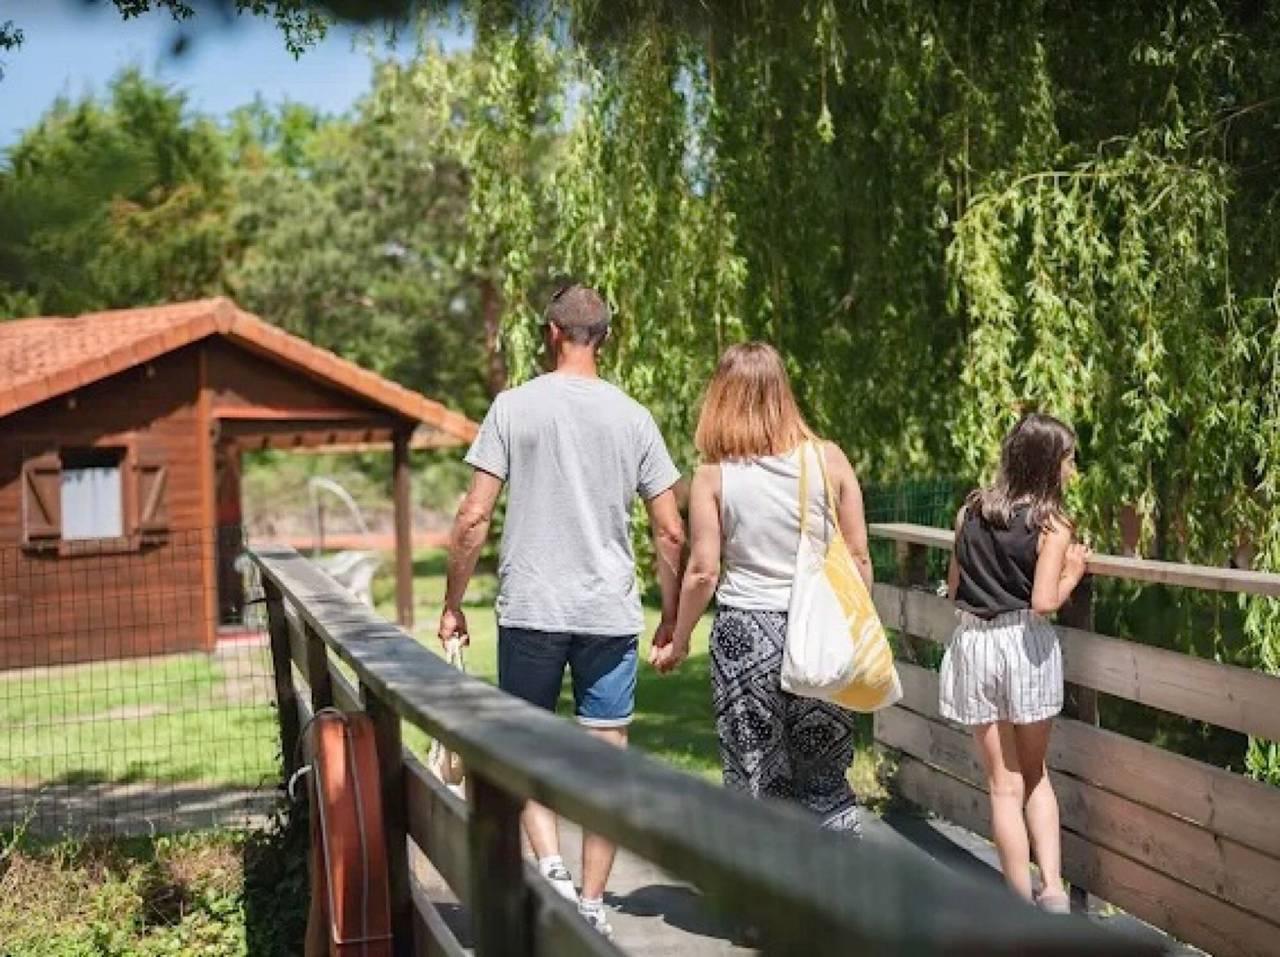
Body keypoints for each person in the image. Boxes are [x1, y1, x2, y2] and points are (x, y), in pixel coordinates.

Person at [438, 283, 685, 938]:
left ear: (551, 332)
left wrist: (452, 602)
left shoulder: (513, 408)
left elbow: (471, 517)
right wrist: (669, 616)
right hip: (608, 612)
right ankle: (593, 903)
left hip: (531, 606)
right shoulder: (634, 417)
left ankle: (548, 868)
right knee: (606, 755)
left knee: (523, 746)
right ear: (605, 335)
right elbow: (671, 531)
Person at [654, 342, 869, 833]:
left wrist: (681, 637)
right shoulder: (829, 460)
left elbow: (704, 570)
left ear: (722, 397)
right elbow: (857, 557)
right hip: (821, 630)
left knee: (755, 778)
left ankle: (768, 900)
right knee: (826, 778)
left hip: (746, 636)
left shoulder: (715, 476)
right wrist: (856, 629)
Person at [940, 412, 1088, 913]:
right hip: (1024, 645)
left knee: (1003, 787)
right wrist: (1074, 572)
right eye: (1068, 460)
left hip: (976, 645)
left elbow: (955, 588)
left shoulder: (969, 513)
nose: (1072, 471)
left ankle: (1018, 905)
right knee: (1035, 774)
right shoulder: (1053, 524)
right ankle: (1052, 890)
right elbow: (1045, 601)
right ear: (1047, 464)